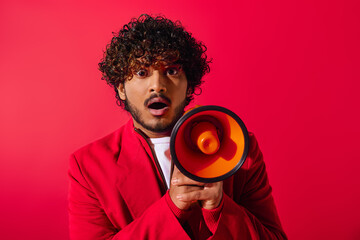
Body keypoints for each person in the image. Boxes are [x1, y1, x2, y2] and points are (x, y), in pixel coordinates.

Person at [68, 14, 287, 240]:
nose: (158, 86)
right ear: (121, 88)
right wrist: (171, 208)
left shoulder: (241, 148)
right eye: (142, 72)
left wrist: (220, 208)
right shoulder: (88, 167)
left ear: (189, 85)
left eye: (171, 71)